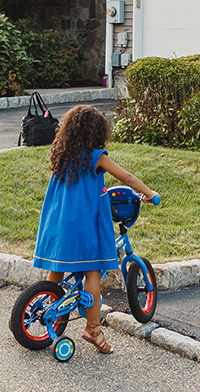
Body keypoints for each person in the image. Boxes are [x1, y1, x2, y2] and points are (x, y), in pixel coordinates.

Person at [33, 105, 158, 355]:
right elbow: (127, 178)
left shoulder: (61, 154)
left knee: (56, 267)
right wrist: (149, 193)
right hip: (84, 225)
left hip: (57, 222)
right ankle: (93, 328)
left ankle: (50, 305)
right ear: (97, 132)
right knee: (93, 271)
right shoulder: (96, 157)